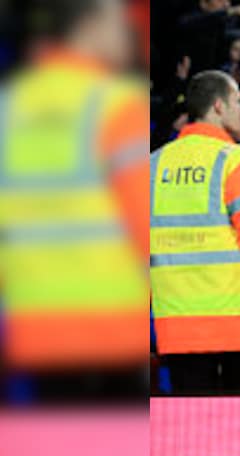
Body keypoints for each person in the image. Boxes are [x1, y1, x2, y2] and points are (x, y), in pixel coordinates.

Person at [0, 0, 149, 401]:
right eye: (121, 26)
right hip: (111, 333)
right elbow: (143, 228)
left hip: (30, 334)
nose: (128, 37)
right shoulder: (116, 104)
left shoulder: (10, 106)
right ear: (91, 27)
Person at [151, 70, 240, 392]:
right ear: (218, 106)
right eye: (236, 103)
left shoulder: (153, 166)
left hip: (177, 329)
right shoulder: (239, 161)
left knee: (193, 433)